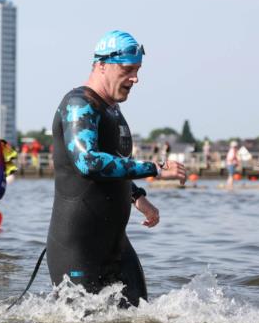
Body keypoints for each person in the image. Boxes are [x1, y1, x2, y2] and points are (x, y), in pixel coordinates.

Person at [46, 30, 186, 307]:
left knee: (139, 319)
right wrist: (155, 168)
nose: (135, 78)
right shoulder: (79, 105)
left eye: (137, 70)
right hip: (78, 245)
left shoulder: (111, 109)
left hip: (114, 242)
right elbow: (89, 162)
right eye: (127, 69)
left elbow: (113, 164)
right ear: (101, 65)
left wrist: (137, 197)